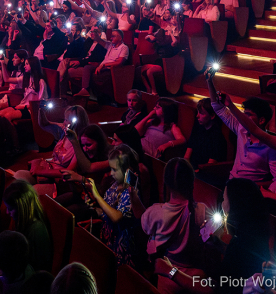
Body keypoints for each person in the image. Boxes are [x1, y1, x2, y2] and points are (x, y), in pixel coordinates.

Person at [141, 158, 208, 293]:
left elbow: (143, 227)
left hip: (167, 277)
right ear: (191, 181)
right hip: (193, 278)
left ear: (166, 182)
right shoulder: (202, 209)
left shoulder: (155, 212)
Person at [207, 72, 276, 182]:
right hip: (232, 183)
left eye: (248, 115)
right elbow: (218, 108)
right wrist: (209, 82)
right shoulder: (241, 129)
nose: (243, 118)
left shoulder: (270, 145)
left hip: (251, 190)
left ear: (262, 120)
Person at [87, 145, 139, 266]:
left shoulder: (131, 192)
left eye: (115, 170)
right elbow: (107, 212)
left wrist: (97, 196)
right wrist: (95, 208)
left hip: (121, 248)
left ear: (127, 171)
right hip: (108, 239)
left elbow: (116, 217)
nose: (111, 173)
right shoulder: (115, 185)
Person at [3, 180, 53, 272]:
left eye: (10, 209)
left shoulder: (36, 231)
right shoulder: (24, 223)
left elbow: (33, 269)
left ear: (22, 208)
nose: (7, 212)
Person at [184, 97, 228, 168]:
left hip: (204, 173)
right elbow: (187, 154)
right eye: (198, 112)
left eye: (201, 113)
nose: (197, 116)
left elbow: (209, 167)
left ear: (212, 115)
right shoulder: (198, 127)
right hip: (192, 170)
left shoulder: (217, 137)